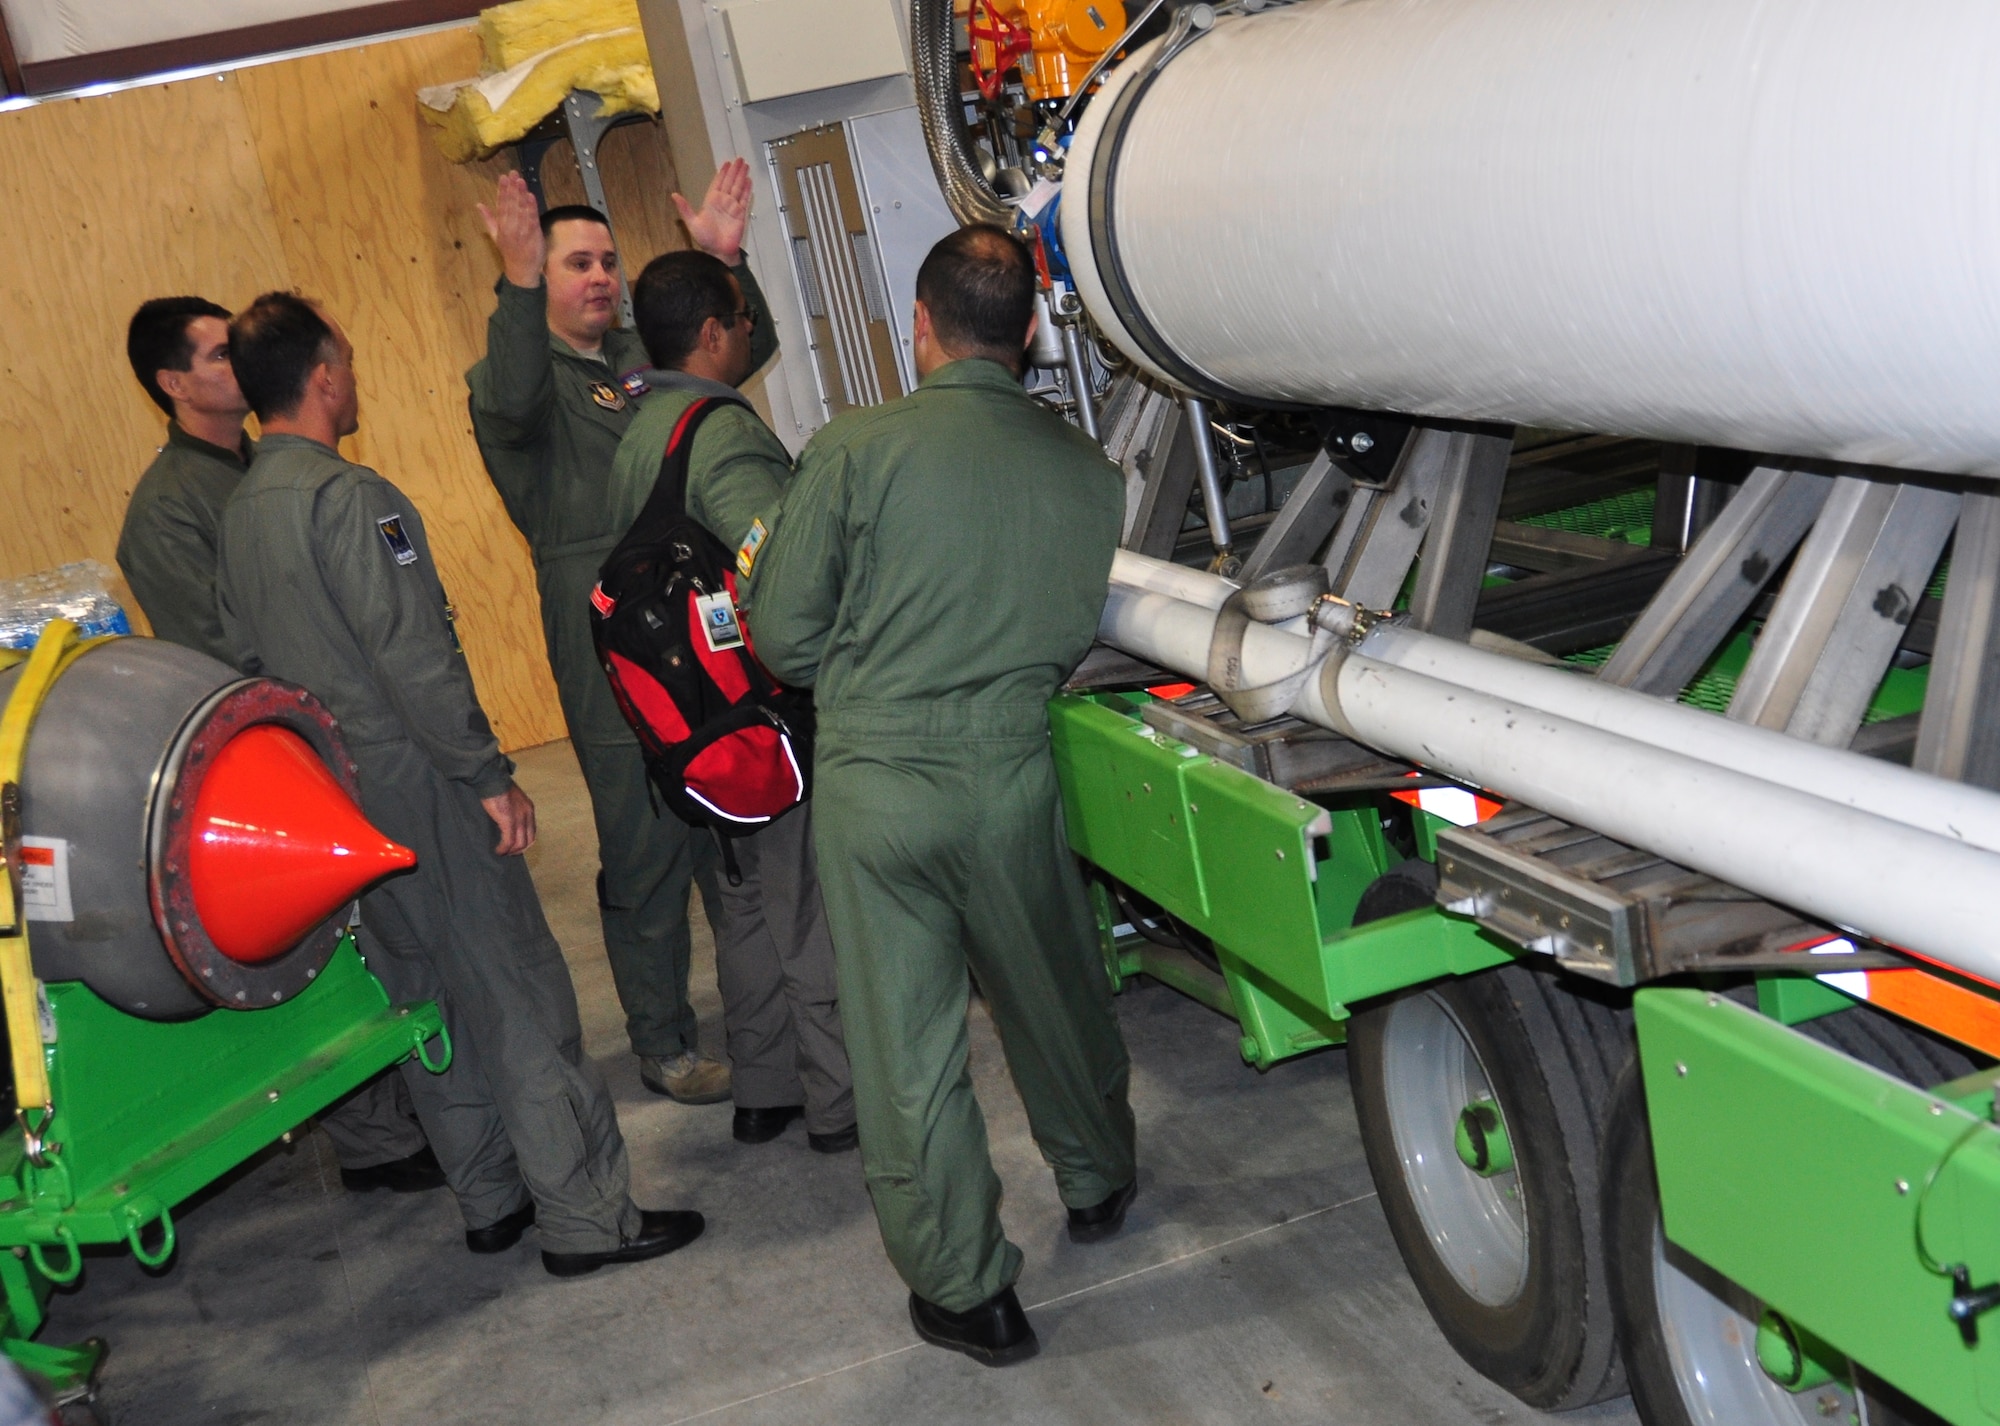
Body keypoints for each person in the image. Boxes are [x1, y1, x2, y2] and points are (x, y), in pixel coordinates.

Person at [216, 292, 702, 1276]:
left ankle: (490, 1198)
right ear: (320, 378)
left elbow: (243, 664)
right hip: (417, 778)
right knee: (516, 991)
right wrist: (486, 776)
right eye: (344, 361)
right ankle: (585, 1217)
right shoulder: (351, 499)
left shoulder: (241, 515)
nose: (350, 379)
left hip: (330, 797)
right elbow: (414, 657)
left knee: (422, 994)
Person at [745, 226, 1139, 1364]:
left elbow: (780, 631)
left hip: (876, 778)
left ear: (920, 325)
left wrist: (864, 675)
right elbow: (1070, 630)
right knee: (1051, 987)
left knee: (908, 1045)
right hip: (1012, 769)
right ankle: (1099, 1179)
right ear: (1025, 333)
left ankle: (972, 1294)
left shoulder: (856, 448)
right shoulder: (1085, 472)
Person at [119, 295, 445, 1198]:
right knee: (311, 946)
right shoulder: (168, 509)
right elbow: (218, 659)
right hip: (261, 757)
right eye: (218, 356)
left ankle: (406, 1100)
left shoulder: (268, 467)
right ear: (174, 384)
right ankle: (373, 1137)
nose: (239, 366)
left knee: (379, 933)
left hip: (330, 736)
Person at [466, 163, 770, 1105]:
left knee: (732, 805)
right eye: (575, 264)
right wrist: (516, 286)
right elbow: (511, 399)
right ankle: (663, 1039)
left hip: (699, 615)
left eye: (608, 260)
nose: (599, 277)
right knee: (643, 844)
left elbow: (731, 360)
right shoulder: (518, 381)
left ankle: (761, 1015)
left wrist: (723, 264)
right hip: (604, 633)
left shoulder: (642, 355)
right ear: (536, 277)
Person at [601, 247, 856, 1153]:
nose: (751, 330)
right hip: (761, 719)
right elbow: (780, 580)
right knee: (806, 905)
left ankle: (765, 1089)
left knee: (745, 902)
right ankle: (840, 1102)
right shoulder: (721, 430)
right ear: (713, 333)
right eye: (743, 317)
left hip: (698, 727)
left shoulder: (642, 430)